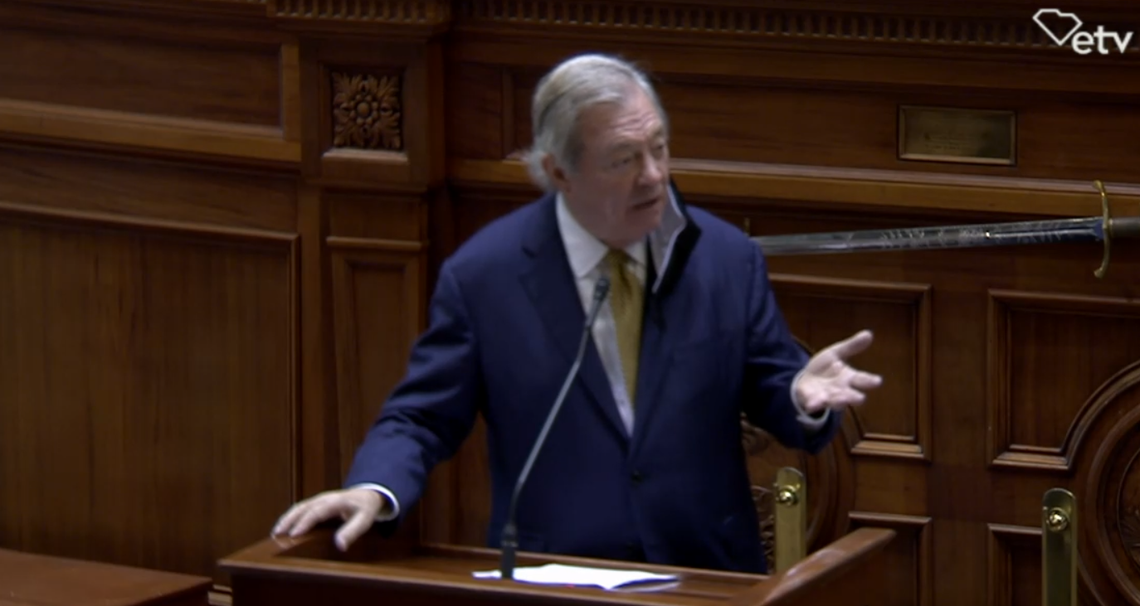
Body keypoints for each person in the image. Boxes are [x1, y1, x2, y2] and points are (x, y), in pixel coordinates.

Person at [272, 52, 882, 574]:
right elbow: (422, 416)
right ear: (559, 171)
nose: (654, 177)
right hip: (555, 575)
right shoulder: (486, 276)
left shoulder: (723, 258)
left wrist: (801, 396)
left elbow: (774, 381)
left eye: (660, 149)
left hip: (705, 574)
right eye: (623, 159)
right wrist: (374, 489)